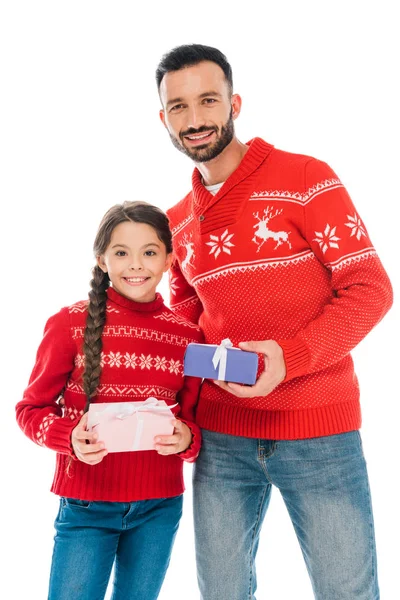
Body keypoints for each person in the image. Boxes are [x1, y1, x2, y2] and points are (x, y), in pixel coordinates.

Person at [155, 44, 393, 600]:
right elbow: (186, 319)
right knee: (222, 593)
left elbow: (370, 289)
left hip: (319, 432)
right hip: (220, 438)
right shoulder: (175, 223)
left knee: (347, 592)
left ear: (234, 103)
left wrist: (288, 357)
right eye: (179, 107)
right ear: (163, 118)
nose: (195, 119)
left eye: (208, 100)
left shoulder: (307, 178)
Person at [16, 201, 203, 600]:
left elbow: (193, 425)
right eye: (121, 252)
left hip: (159, 507)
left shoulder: (188, 337)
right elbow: (30, 410)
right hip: (86, 507)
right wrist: (69, 436)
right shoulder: (69, 323)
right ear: (102, 260)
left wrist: (187, 439)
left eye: (149, 252)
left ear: (169, 259)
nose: (136, 264)